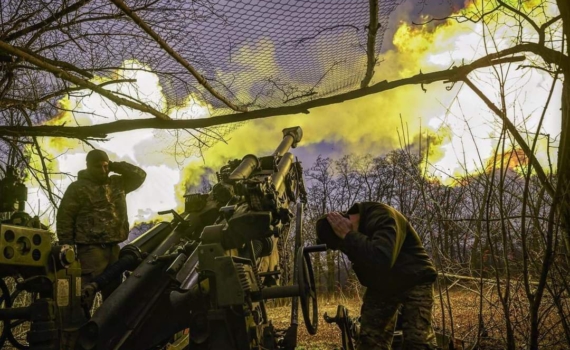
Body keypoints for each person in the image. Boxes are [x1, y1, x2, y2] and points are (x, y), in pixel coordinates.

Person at [316, 202, 438, 350]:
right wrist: (350, 241)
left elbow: (382, 259)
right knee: (370, 340)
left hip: (415, 278)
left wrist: (349, 236)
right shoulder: (355, 234)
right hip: (384, 284)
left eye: (341, 244)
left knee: (417, 342)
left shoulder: (382, 216)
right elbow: (367, 276)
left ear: (345, 224)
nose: (344, 248)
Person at [56, 149, 146, 315]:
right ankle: (79, 335)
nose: (103, 170)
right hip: (90, 250)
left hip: (114, 248)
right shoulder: (78, 188)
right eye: (98, 167)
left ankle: (107, 336)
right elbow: (65, 218)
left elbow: (140, 175)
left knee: (114, 298)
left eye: (106, 166)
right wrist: (67, 245)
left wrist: (114, 165)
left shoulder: (117, 183)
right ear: (88, 167)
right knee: (83, 296)